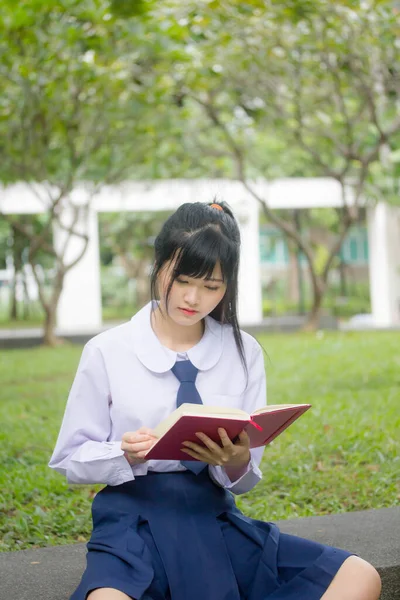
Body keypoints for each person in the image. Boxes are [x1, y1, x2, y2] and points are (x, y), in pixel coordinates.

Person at [49, 201, 381, 600]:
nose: (193, 298)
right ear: (160, 262)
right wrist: (124, 453)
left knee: (359, 577)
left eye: (212, 287)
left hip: (214, 517)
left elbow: (244, 478)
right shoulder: (107, 350)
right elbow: (71, 458)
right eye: (184, 279)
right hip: (132, 522)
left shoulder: (243, 352)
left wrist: (236, 460)